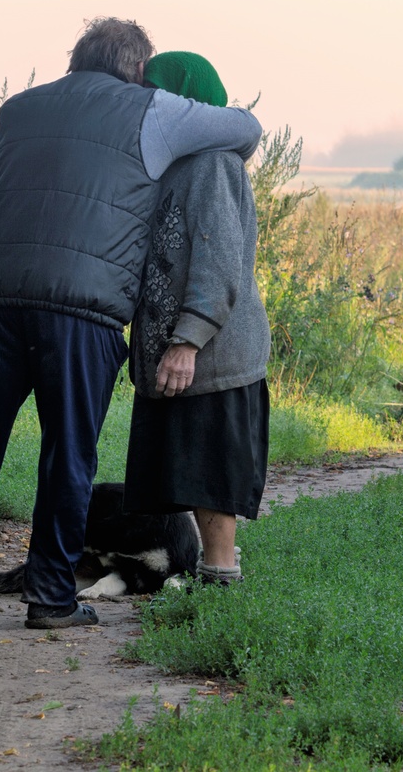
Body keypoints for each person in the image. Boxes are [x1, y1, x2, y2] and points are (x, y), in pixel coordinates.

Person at [0, 20, 262, 630]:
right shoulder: (152, 108)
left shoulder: (17, 111)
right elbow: (247, 127)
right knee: (67, 456)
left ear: (74, 60)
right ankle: (50, 600)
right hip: (83, 315)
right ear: (134, 69)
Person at [122, 52, 271, 585]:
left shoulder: (212, 162)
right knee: (186, 470)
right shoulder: (177, 164)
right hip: (184, 353)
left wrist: (187, 340)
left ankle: (221, 583)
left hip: (213, 356)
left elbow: (220, 261)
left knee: (212, 474)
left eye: (156, 93)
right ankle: (210, 580)